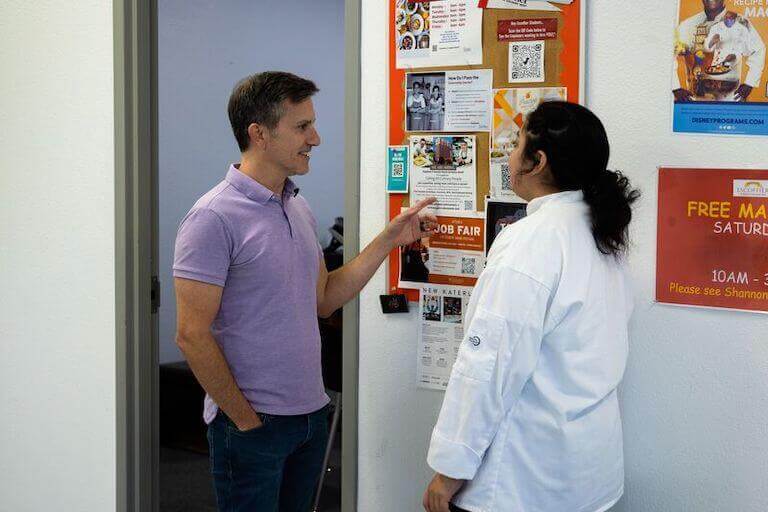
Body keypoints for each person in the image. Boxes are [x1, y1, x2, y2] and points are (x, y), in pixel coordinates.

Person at [173, 71, 437, 512]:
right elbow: (191, 335)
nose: (315, 138)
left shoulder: (297, 205)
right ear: (258, 133)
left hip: (310, 417)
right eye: (301, 126)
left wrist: (391, 238)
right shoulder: (212, 218)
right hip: (253, 426)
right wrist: (244, 421)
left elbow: (325, 297)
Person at [422, 102, 640, 512]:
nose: (509, 154)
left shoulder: (532, 241)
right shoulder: (603, 236)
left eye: (516, 144)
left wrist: (449, 470)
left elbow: (489, 365)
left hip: (524, 481)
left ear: (537, 162)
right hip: (587, 474)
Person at [674, 0, 765, 102]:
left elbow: (758, 50)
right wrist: (675, 87)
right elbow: (669, 52)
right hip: (696, 98)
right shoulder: (687, 25)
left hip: (730, 96)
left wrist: (750, 83)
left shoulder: (741, 22)